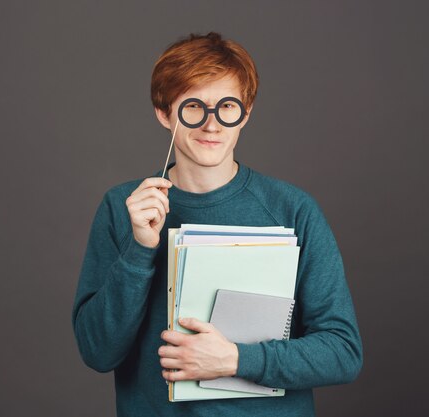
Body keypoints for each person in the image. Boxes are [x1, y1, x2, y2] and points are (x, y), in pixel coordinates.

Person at [72, 32, 363, 417]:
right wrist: (140, 249)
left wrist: (236, 360)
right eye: (194, 107)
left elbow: (343, 352)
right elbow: (98, 352)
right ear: (164, 113)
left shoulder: (293, 210)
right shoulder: (124, 208)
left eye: (227, 106)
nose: (212, 125)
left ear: (247, 112)